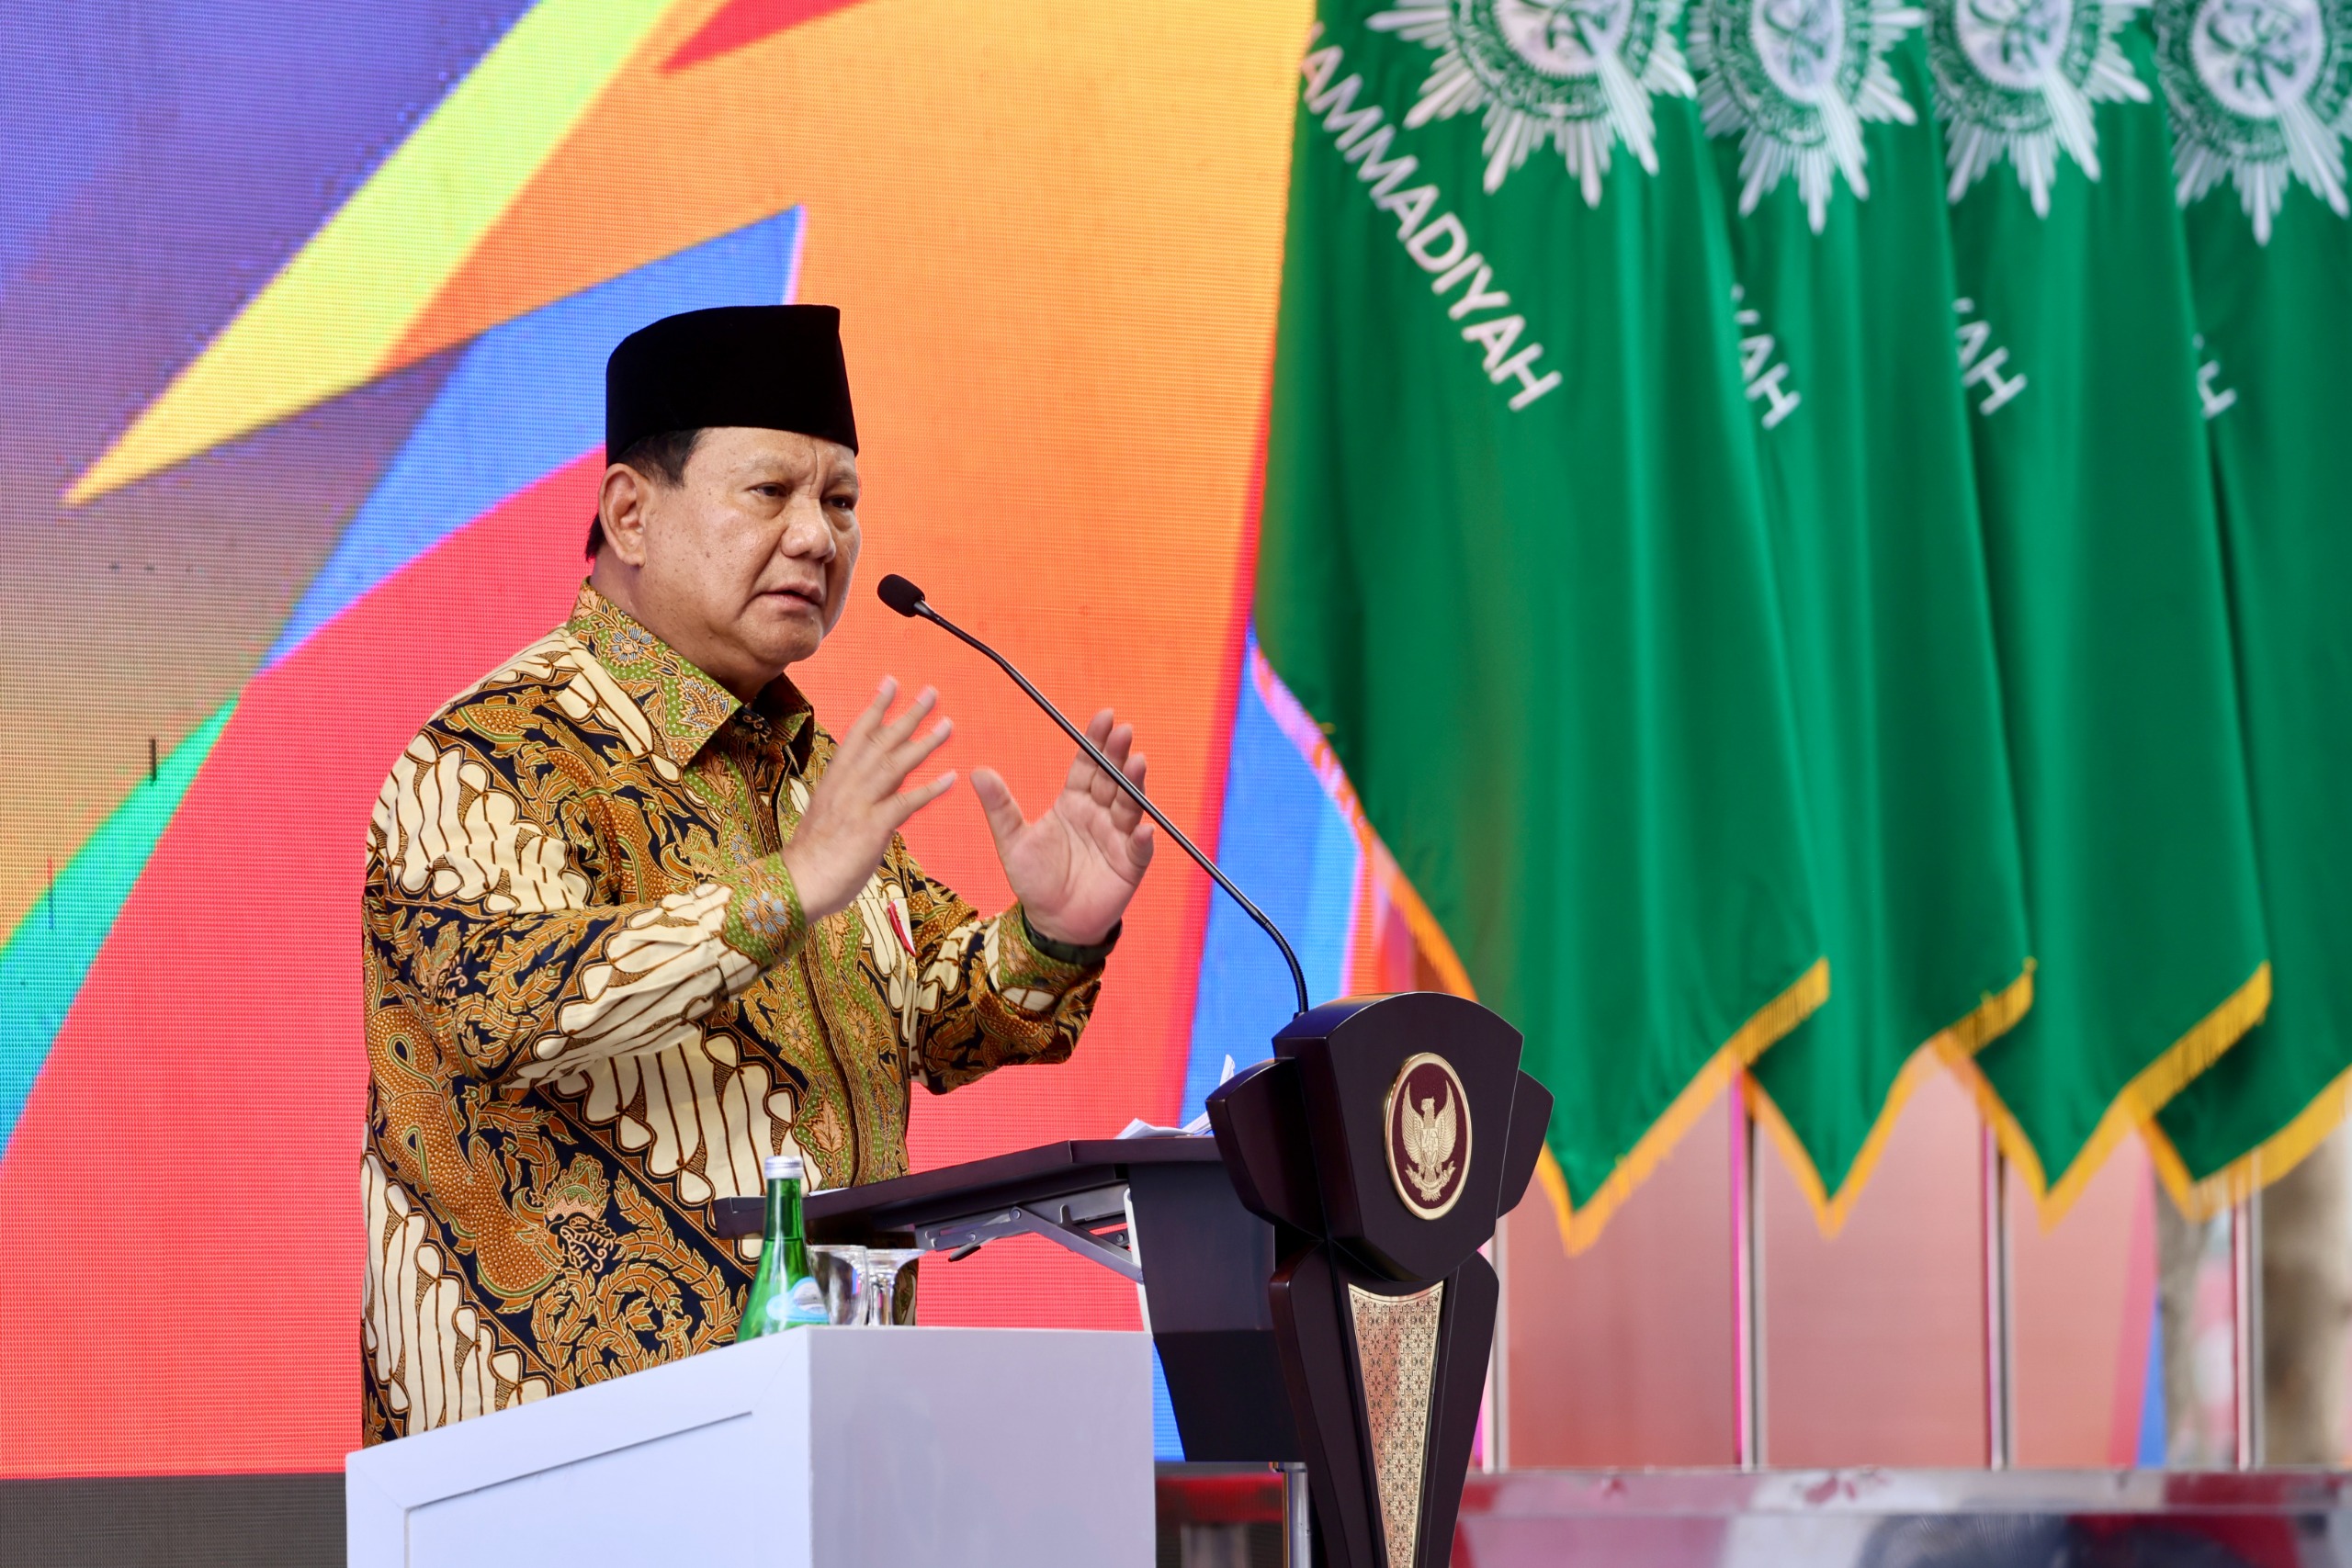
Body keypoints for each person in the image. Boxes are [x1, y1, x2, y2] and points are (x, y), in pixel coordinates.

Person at [359, 305, 1153, 1442]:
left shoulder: (807, 769)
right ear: (629, 513)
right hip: (557, 1465)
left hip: (826, 1438)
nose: (820, 538)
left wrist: (1051, 934)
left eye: (841, 503)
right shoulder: (490, 754)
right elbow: (512, 1013)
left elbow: (929, 1015)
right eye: (769, 493)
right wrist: (789, 884)